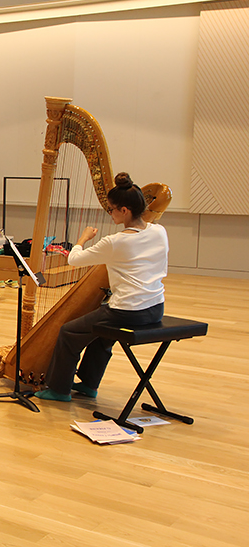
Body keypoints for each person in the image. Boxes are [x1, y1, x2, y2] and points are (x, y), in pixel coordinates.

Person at [35, 172, 168, 402]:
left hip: (127, 312)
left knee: (68, 332)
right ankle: (88, 384)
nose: (110, 214)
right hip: (155, 307)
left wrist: (82, 239)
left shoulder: (116, 242)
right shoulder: (159, 231)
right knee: (101, 333)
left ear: (124, 210)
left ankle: (58, 390)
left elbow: (74, 260)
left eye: (111, 209)